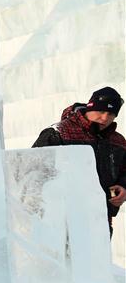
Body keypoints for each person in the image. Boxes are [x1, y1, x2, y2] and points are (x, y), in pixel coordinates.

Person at [33, 86, 126, 235]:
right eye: (101, 111)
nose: (105, 118)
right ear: (90, 107)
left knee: (97, 258)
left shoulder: (118, 141)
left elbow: (124, 170)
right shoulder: (59, 132)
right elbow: (32, 172)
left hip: (101, 218)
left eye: (111, 114)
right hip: (61, 220)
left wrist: (123, 187)